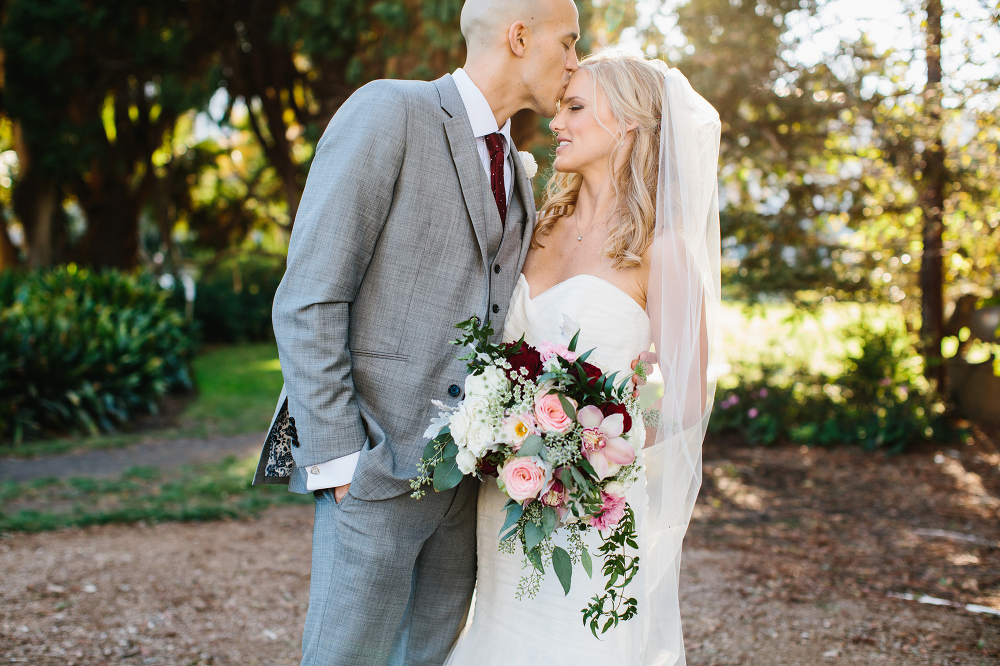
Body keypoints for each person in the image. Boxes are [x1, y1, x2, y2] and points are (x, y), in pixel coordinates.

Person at [253, 1, 648, 664]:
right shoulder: (390, 112)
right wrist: (342, 459)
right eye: (568, 41)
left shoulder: (520, 172)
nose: (576, 61)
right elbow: (308, 297)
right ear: (520, 37)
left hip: (469, 489)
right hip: (372, 475)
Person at [443, 52, 722, 665]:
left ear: (627, 122)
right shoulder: (540, 225)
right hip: (507, 497)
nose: (556, 122)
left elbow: (679, 396)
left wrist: (597, 439)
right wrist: (505, 430)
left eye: (574, 108)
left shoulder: (664, 250)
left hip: (592, 512)